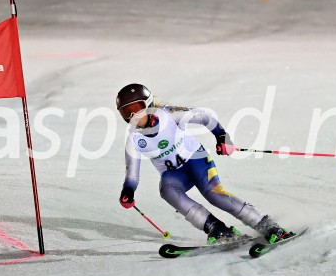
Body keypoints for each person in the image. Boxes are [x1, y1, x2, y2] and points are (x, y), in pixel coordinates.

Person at [115, 83, 289, 244]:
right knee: (166, 190)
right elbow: (132, 174)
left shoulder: (170, 114)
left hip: (196, 160)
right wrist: (128, 191)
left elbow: (204, 117)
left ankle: (268, 226)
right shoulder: (134, 138)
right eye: (126, 112)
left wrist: (222, 136)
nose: (133, 116)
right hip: (174, 175)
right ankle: (217, 229)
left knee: (214, 194)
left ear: (149, 104)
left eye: (136, 108)